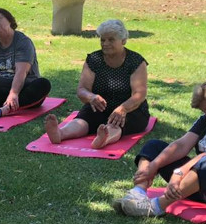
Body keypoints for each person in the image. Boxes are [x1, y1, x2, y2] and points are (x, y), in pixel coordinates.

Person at [112, 78, 206, 218]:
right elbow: (181, 145)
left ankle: (155, 207)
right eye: (205, 111)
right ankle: (137, 194)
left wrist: (179, 173)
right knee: (154, 147)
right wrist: (153, 166)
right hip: (198, 187)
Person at [43, 19, 148, 148]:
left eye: (111, 40)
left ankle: (105, 137)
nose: (105, 44)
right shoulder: (94, 59)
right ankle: (60, 133)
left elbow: (139, 94)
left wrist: (123, 108)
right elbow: (82, 89)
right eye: (103, 40)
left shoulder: (136, 61)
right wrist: (91, 97)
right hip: (99, 107)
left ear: (123, 40)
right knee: (82, 120)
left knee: (117, 124)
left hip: (130, 109)